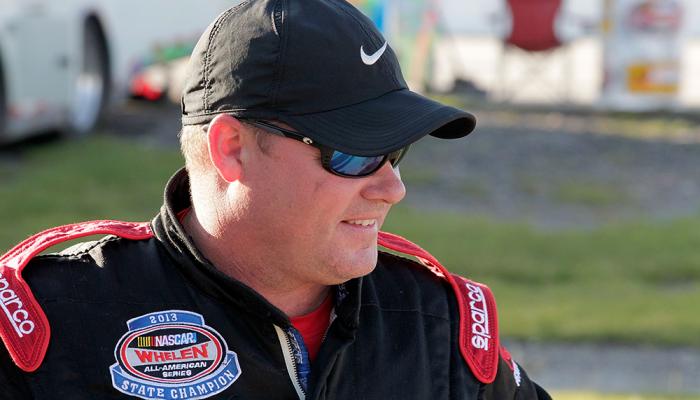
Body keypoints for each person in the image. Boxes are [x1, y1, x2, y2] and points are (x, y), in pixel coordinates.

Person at [0, 0, 551, 399]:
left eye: (395, 150)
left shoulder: (439, 326)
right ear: (232, 149)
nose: (392, 188)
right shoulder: (46, 330)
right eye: (354, 154)